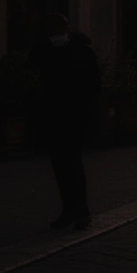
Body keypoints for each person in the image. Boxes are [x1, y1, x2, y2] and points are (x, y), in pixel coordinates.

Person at [28, 14, 100, 230]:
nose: (54, 36)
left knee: (72, 165)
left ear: (66, 30)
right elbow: (31, 71)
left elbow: (93, 85)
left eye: (57, 31)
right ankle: (69, 211)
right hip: (54, 117)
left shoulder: (82, 51)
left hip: (74, 117)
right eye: (51, 32)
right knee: (61, 166)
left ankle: (81, 210)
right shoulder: (45, 50)